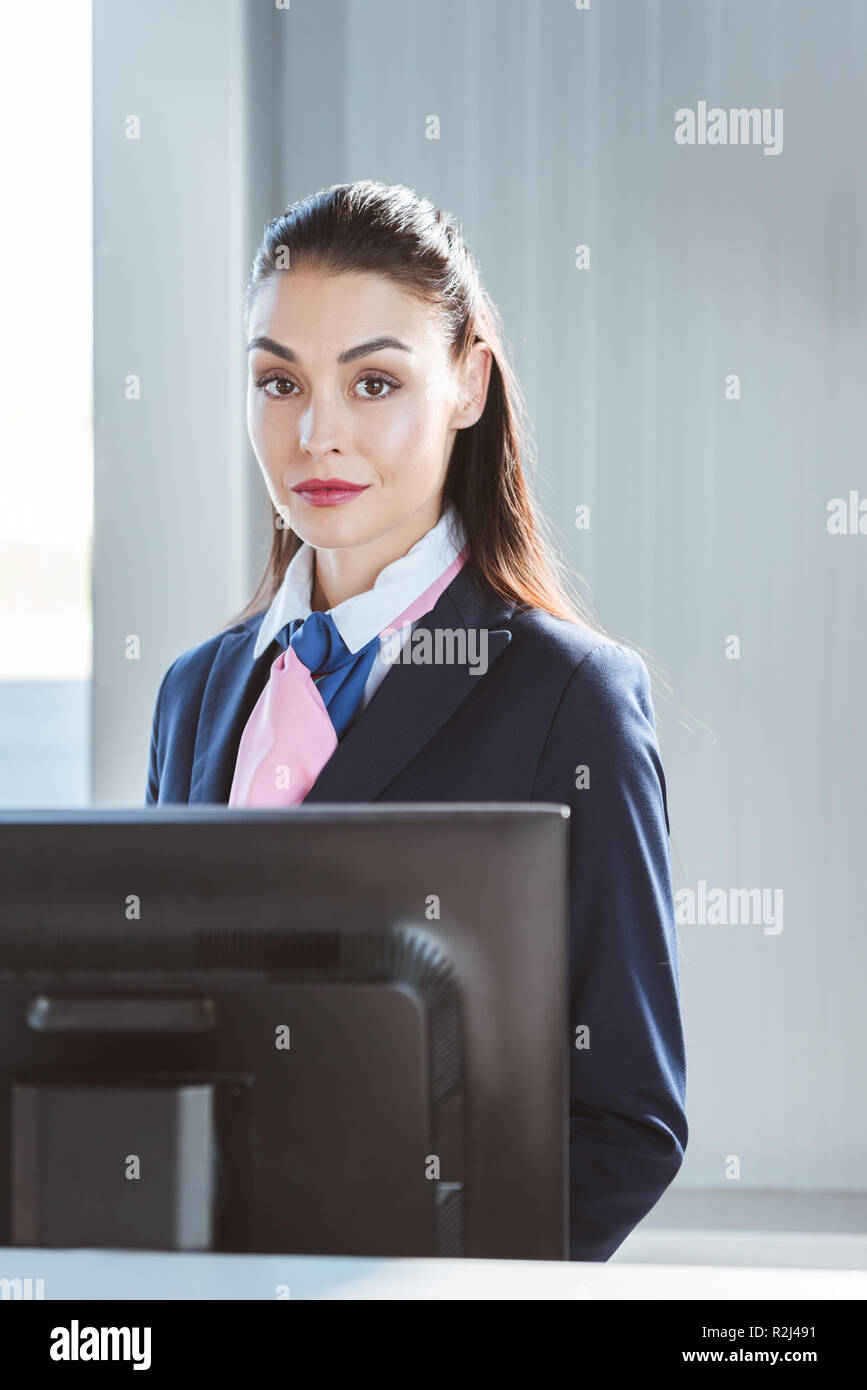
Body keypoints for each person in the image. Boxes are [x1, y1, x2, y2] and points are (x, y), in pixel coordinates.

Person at [145, 180, 687, 1261]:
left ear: (468, 386)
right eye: (277, 381)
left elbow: (627, 1120)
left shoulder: (570, 699)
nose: (316, 433)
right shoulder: (197, 690)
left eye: (375, 381)